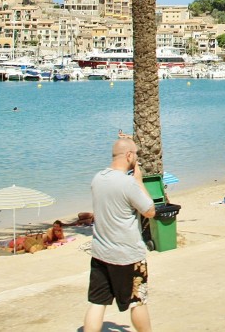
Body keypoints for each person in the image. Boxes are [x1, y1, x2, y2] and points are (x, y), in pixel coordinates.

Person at [83, 137, 156, 332]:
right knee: (137, 301)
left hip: (100, 253)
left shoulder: (97, 179)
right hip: (128, 256)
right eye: (136, 155)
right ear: (129, 156)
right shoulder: (128, 183)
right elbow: (150, 210)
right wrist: (139, 182)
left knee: (98, 303)